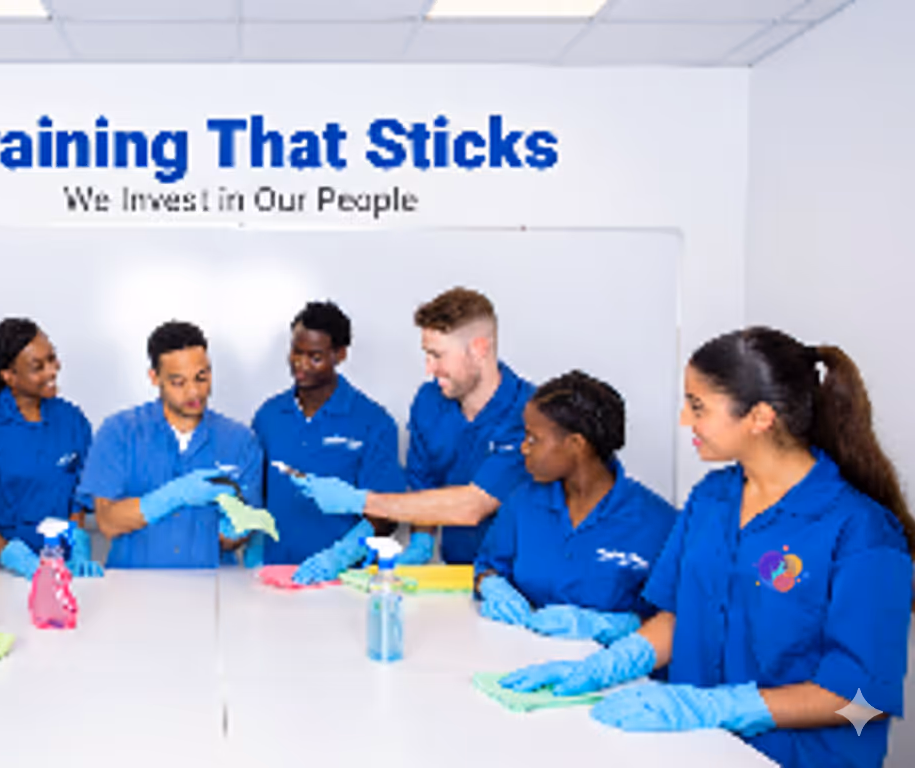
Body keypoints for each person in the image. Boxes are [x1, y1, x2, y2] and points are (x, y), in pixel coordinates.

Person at [500, 328, 913, 768]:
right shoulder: (711, 499)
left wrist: (722, 707)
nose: (685, 420)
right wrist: (605, 666)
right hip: (698, 748)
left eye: (698, 407)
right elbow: (677, 616)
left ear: (759, 417)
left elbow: (865, 701)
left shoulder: (862, 532)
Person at [288, 288, 534, 565]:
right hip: (457, 570)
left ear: (479, 349)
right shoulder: (429, 402)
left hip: (516, 576)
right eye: (426, 355)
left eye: (438, 355)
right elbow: (423, 486)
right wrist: (421, 541)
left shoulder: (529, 412)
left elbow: (474, 505)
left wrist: (361, 501)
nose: (429, 369)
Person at [473, 370, 676, 644]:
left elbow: (677, 617)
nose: (524, 448)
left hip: (606, 665)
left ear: (576, 445)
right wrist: (491, 584)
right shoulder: (522, 502)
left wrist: (619, 625)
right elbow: (488, 565)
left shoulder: (658, 524)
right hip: (518, 654)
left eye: (533, 439)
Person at [77, 321, 262, 568]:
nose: (194, 392)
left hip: (211, 585)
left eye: (202, 378)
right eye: (178, 382)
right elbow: (107, 522)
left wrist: (236, 531)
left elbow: (237, 537)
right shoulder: (119, 432)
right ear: (155, 378)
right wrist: (172, 496)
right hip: (133, 584)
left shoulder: (239, 440)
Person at [250, 301, 405, 584]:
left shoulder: (373, 422)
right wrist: (255, 550)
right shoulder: (268, 416)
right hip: (275, 576)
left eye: (315, 357)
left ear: (340, 354)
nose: (301, 364)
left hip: (344, 579)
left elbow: (387, 511)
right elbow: (254, 494)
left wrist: (339, 557)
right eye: (296, 352)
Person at [0, 318, 101, 579]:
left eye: (52, 358)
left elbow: (77, 499)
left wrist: (76, 546)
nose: (52, 371)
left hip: (60, 569)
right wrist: (11, 556)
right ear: (9, 376)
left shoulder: (71, 420)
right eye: (38, 367)